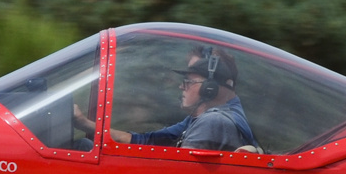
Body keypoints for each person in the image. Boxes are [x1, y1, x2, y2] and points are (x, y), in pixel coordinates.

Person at [108, 46, 259, 151]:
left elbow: (179, 173)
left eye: (190, 79)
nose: (181, 86)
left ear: (209, 88)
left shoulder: (213, 121)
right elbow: (152, 140)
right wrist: (87, 124)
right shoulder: (206, 116)